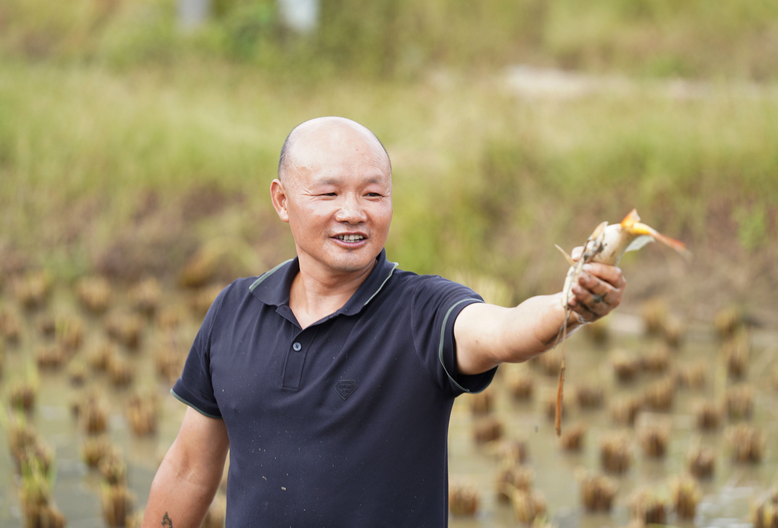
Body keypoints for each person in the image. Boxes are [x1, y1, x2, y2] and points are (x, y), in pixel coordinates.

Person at [142, 116, 626, 527]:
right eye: (329, 193)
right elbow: (188, 469)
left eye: (373, 194)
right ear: (283, 200)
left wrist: (568, 306)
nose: (352, 213)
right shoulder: (235, 309)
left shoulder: (424, 312)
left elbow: (504, 330)